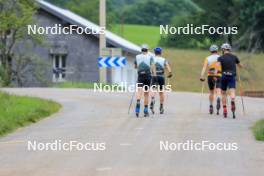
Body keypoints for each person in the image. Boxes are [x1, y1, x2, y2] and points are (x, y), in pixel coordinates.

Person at [217, 43, 243, 118]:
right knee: (232, 91)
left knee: (223, 93)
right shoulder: (234, 57)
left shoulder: (220, 58)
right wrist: (238, 66)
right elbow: (240, 66)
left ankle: (225, 109)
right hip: (232, 76)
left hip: (224, 76)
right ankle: (232, 100)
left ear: (223, 49)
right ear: (229, 49)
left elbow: (218, 67)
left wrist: (218, 72)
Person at [200, 45, 222, 115]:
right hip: (218, 75)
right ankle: (218, 98)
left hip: (210, 75)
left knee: (211, 91)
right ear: (217, 50)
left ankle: (211, 105)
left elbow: (204, 67)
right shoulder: (220, 57)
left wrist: (201, 76)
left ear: (210, 51)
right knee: (218, 90)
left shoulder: (207, 58)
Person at [134, 44, 155, 117]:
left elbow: (135, 66)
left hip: (140, 76)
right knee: (146, 93)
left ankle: (138, 104)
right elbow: (152, 66)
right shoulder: (150, 57)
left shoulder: (137, 57)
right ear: (147, 50)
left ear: (141, 50)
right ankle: (145, 110)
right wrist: (154, 75)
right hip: (148, 76)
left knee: (139, 91)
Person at [150, 47, 172, 114]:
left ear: (154, 52)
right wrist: (170, 73)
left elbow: (149, 66)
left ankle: (153, 99)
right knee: (161, 92)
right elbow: (168, 67)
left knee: (153, 89)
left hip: (154, 76)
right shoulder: (163, 59)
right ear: (161, 52)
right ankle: (161, 107)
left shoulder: (152, 59)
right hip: (161, 76)